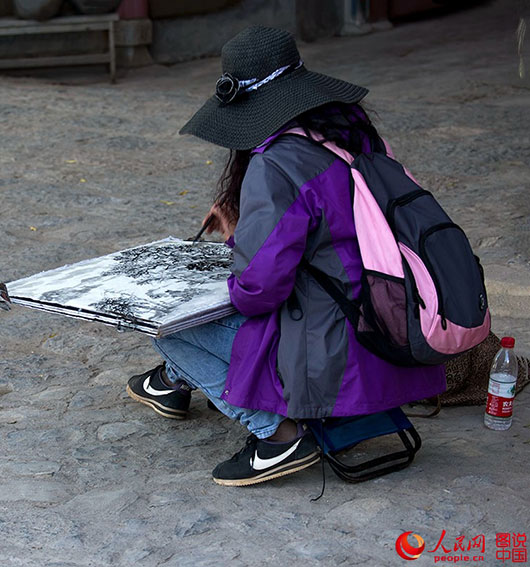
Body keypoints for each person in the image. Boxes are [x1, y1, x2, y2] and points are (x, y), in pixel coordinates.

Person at [125, 26, 446, 487]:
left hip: (332, 358)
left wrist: (238, 249)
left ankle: (276, 436)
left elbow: (258, 290)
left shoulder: (277, 163)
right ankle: (171, 383)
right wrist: (244, 228)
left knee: (169, 326)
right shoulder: (356, 137)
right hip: (391, 338)